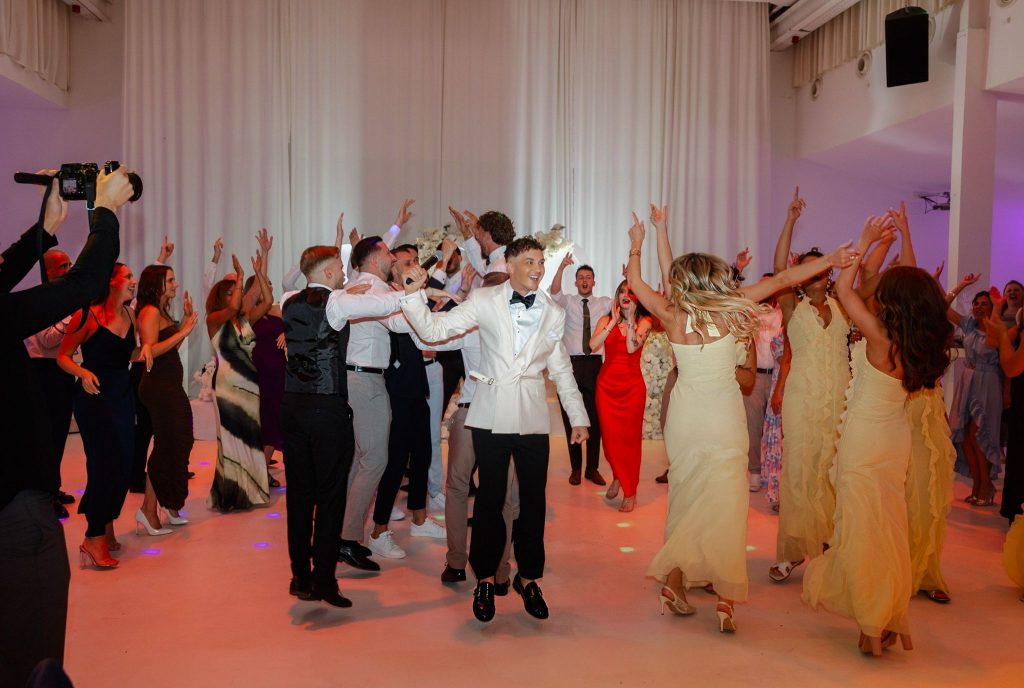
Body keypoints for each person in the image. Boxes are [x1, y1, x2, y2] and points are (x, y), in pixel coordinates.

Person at [626, 209, 856, 634]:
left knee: (685, 499)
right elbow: (785, 280)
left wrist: (643, 238)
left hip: (686, 421)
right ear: (714, 279)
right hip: (723, 419)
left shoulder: (674, 313)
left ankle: (673, 585)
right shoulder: (734, 309)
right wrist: (831, 260)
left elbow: (639, 282)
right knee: (728, 506)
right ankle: (726, 602)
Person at [400, 236, 590, 623]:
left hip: (533, 417)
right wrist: (412, 297)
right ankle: (484, 578)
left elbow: (561, 369)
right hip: (490, 414)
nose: (538, 267)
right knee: (489, 500)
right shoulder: (485, 300)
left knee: (533, 505)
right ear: (513, 263)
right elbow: (435, 331)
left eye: (541, 261)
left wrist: (579, 416)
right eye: (531, 261)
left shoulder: (552, 311)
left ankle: (529, 578)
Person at [0, 167, 131, 688]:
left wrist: (46, 227)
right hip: (13, 507)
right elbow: (86, 285)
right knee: (33, 663)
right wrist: (104, 212)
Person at [802, 216, 952, 656]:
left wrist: (865, 242)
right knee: (888, 528)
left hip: (865, 442)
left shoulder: (882, 338)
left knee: (865, 533)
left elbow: (844, 292)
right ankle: (887, 615)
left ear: (896, 303)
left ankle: (872, 627)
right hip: (895, 444)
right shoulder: (917, 345)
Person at [280, 245, 411, 607]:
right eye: (338, 268)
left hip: (292, 407)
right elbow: (386, 307)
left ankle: (299, 577)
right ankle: (324, 580)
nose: (343, 273)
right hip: (326, 408)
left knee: (300, 497)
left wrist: (342, 292)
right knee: (330, 496)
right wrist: (412, 290)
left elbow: (308, 293)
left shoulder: (288, 300)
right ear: (325, 274)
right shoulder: (337, 303)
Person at [770, 187, 853, 583]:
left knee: (832, 472)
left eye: (821, 267)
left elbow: (867, 280)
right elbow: (777, 266)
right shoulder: (791, 305)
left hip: (839, 396)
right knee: (800, 471)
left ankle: (827, 547)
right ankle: (792, 551)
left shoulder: (843, 305)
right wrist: (790, 219)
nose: (816, 273)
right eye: (809, 268)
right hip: (802, 397)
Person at [58, 263, 146, 559]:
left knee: (124, 462)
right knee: (103, 463)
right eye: (129, 276)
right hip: (94, 398)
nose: (134, 281)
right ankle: (94, 535)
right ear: (111, 281)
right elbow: (63, 356)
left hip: (122, 395)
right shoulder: (88, 315)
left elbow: (127, 354)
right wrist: (82, 373)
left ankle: (106, 521)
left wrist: (144, 352)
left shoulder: (130, 314)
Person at [441, 272, 518, 590]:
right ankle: (500, 569)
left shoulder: (470, 323)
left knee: (458, 487)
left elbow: (427, 340)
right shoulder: (520, 328)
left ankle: (458, 562)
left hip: (472, 412)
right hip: (503, 416)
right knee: (506, 495)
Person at [205, 252, 272, 511]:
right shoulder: (214, 320)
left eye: (239, 290)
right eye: (233, 291)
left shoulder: (244, 320)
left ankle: (252, 491)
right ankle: (233, 494)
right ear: (223, 296)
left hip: (250, 385)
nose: (238, 295)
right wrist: (241, 275)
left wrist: (260, 271)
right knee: (233, 439)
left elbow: (266, 301)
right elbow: (233, 307)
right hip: (227, 385)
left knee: (251, 436)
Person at [136, 265, 199, 531]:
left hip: (168, 384)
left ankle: (170, 503)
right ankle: (148, 510)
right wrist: (183, 330)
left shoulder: (161, 311)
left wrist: (183, 325)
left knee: (180, 442)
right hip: (159, 387)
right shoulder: (149, 312)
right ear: (157, 284)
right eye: (170, 280)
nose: (175, 284)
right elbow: (149, 352)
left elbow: (171, 348)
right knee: (167, 446)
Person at [23, 249, 77, 517]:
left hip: (62, 371)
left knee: (59, 434)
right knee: (48, 436)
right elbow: (46, 340)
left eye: (70, 264)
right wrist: (73, 315)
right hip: (44, 373)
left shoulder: (62, 298)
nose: (68, 269)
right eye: (62, 266)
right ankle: (45, 496)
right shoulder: (39, 300)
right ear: (48, 271)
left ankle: (53, 488)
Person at [550, 254, 612, 486]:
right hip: (571, 365)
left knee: (595, 419)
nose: (585, 281)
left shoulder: (604, 303)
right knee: (570, 417)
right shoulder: (568, 301)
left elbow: (626, 302)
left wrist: (630, 280)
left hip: (596, 365)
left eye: (588, 277)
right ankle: (576, 468)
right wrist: (561, 268)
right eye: (581, 278)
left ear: (594, 282)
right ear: (576, 282)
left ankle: (592, 468)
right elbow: (554, 292)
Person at [591, 280, 652, 511]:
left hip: (632, 388)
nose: (625, 295)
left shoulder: (645, 322)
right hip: (606, 387)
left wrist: (628, 323)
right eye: (621, 291)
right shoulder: (606, 320)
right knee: (609, 439)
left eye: (630, 292)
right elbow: (592, 344)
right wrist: (613, 323)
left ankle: (630, 490)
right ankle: (617, 474)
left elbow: (630, 349)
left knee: (629, 441)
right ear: (616, 296)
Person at [945, 278, 1003, 506]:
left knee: (980, 437)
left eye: (984, 304)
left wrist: (996, 310)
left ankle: (987, 487)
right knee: (966, 438)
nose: (978, 307)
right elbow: (943, 306)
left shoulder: (998, 329)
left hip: (987, 383)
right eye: (976, 303)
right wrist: (961, 286)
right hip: (967, 380)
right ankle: (978, 485)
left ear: (993, 307)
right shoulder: (968, 325)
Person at [248, 229, 286, 480]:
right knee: (265, 422)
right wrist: (262, 259)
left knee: (275, 422)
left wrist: (290, 334)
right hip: (260, 374)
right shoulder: (249, 313)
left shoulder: (275, 309)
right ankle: (257, 473)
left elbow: (297, 321)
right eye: (265, 283)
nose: (269, 286)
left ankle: (260, 472)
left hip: (279, 373)